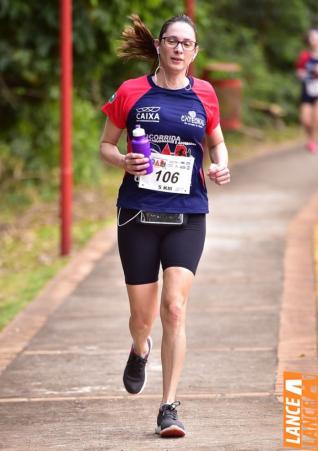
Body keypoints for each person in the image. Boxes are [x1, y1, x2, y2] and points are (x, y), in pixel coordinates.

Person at [99, 14, 230, 438]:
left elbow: (217, 142)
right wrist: (122, 160)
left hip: (187, 215)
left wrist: (220, 166)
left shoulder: (205, 94)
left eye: (186, 43)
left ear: (195, 53)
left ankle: (169, 406)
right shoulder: (131, 92)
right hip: (138, 214)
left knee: (174, 306)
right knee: (143, 317)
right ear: (158, 46)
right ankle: (140, 349)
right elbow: (105, 144)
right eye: (171, 41)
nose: (178, 49)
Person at [295, 27, 318, 153]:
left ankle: (312, 141)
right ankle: (310, 137)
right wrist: (303, 74)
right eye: (311, 37)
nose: (312, 39)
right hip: (307, 90)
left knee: (316, 118)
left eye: (314, 37)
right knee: (305, 120)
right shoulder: (305, 56)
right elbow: (299, 72)